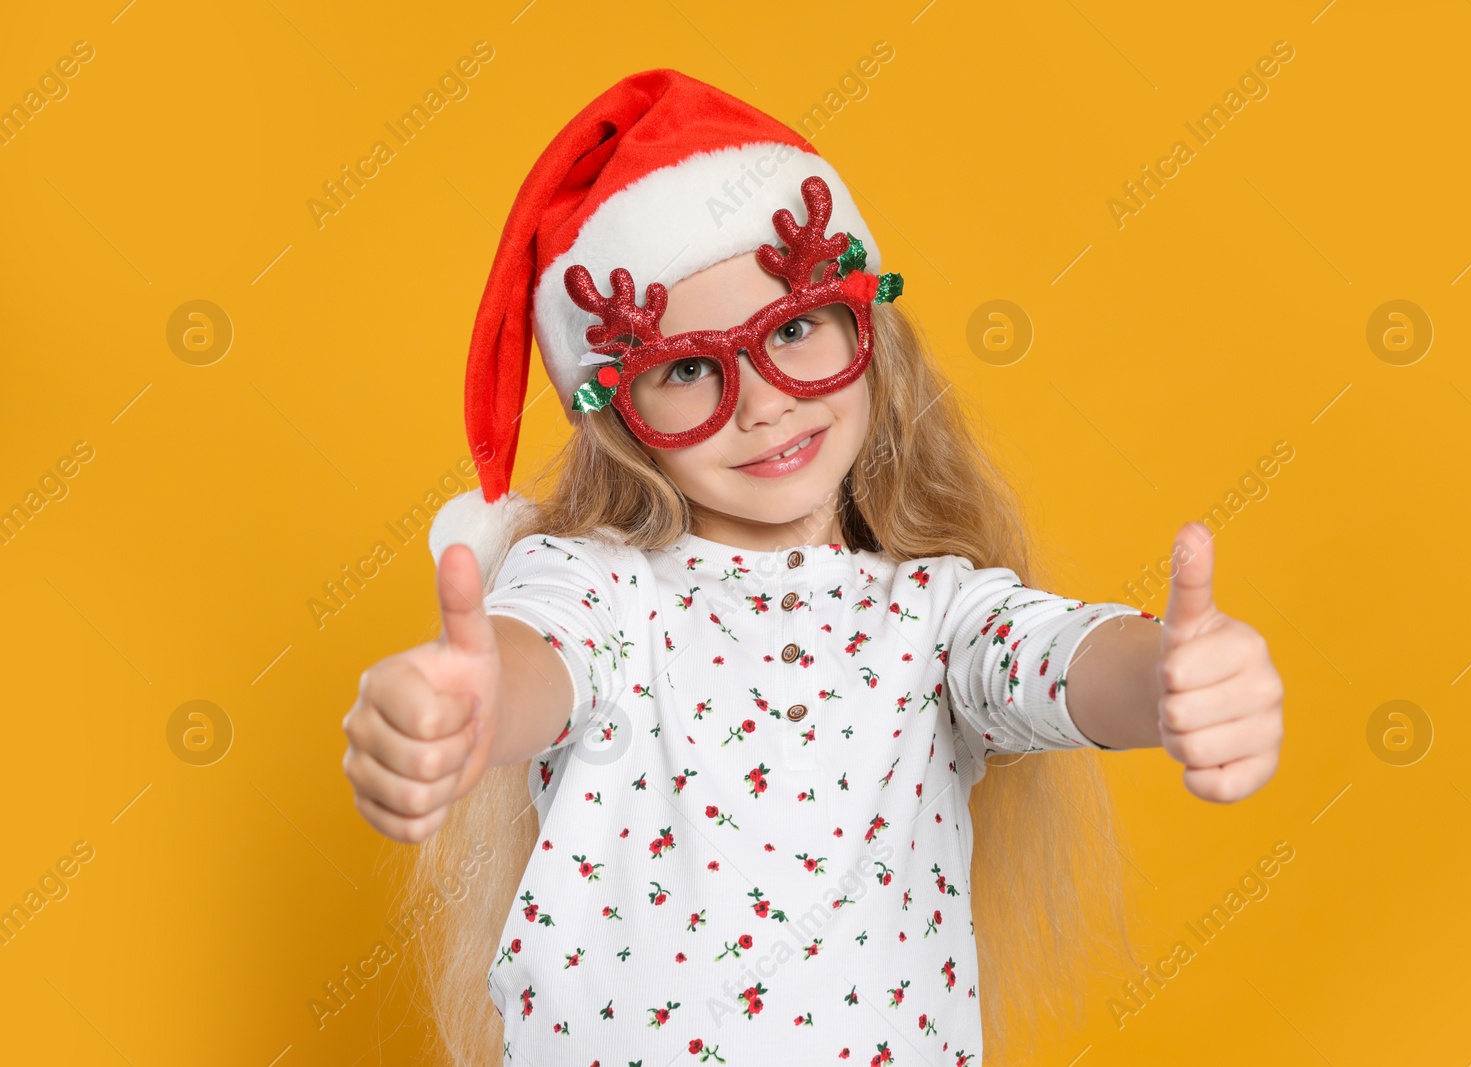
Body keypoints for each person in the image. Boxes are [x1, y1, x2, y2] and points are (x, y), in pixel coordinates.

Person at [340, 69, 1284, 1066]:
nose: (761, 403)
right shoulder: (604, 590)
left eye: (791, 330)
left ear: (865, 328)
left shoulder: (935, 617)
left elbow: (1054, 656)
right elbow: (537, 656)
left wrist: (1171, 676)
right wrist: (470, 696)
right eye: (687, 367)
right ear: (620, 416)